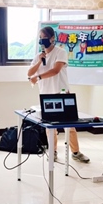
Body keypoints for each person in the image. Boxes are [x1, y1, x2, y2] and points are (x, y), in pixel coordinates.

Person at [27, 26, 90, 163]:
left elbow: (55, 70)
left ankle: (76, 152)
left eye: (44, 37)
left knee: (70, 125)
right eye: (40, 37)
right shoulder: (39, 56)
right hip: (46, 95)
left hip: (62, 93)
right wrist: (39, 61)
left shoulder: (60, 52)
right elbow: (29, 73)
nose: (41, 40)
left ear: (52, 38)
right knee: (50, 127)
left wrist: (38, 78)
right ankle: (53, 151)